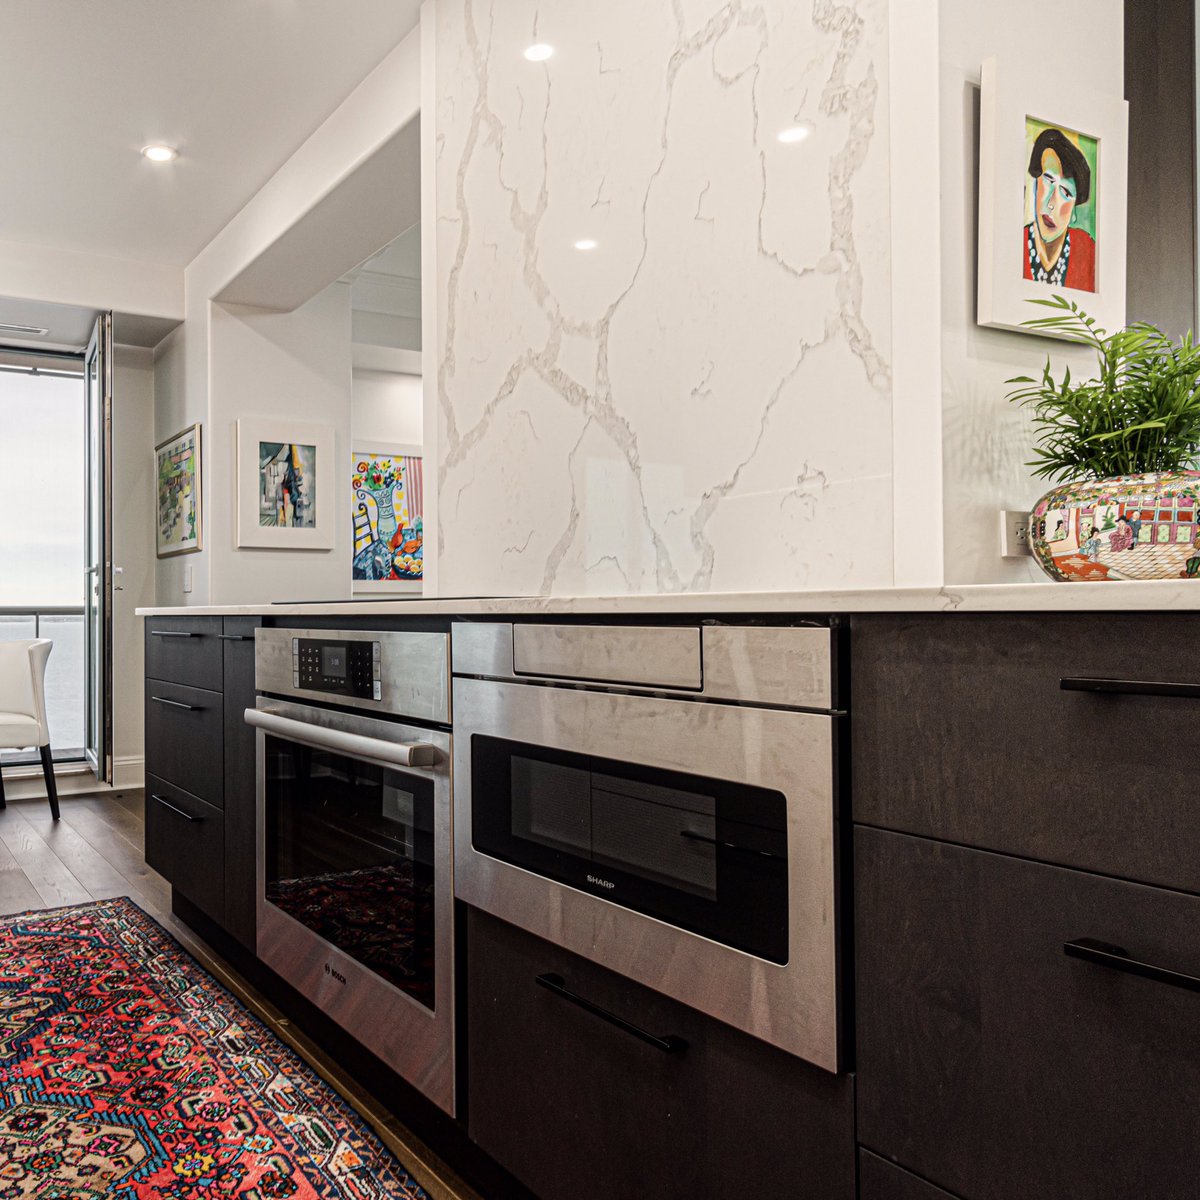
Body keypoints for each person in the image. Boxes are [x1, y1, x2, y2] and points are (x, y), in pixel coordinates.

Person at [1023, 127, 1096, 292]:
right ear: (1035, 184)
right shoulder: (1014, 244)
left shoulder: (1088, 251)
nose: (1051, 203)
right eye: (1048, 180)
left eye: (1066, 192)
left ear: (1074, 211)